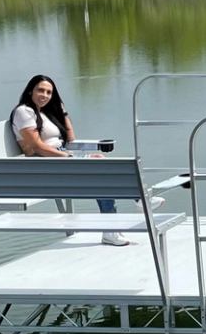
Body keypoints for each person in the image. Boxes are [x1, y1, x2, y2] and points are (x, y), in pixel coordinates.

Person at [11, 74, 136, 246]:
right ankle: (129, 210)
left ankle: (113, 227)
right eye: (41, 90)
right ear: (30, 90)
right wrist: (68, 156)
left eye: (49, 92)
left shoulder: (44, 113)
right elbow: (37, 147)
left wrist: (62, 112)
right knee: (102, 170)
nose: (45, 95)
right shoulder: (24, 111)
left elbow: (70, 139)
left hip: (58, 159)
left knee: (101, 163)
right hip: (44, 165)